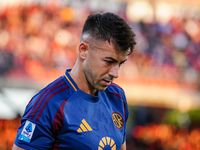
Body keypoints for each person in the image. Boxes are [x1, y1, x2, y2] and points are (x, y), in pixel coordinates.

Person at [12, 12, 136, 150]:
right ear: (83, 50)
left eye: (120, 63)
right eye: (109, 61)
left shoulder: (117, 97)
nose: (115, 73)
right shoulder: (49, 103)